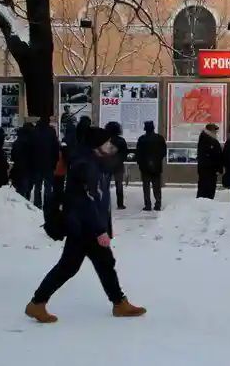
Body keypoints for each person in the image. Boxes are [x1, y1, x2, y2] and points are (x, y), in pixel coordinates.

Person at [25, 126, 146, 323]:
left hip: (84, 224)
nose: (110, 146)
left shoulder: (91, 161)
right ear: (96, 144)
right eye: (107, 143)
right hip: (84, 226)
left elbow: (98, 195)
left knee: (100, 263)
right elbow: (86, 200)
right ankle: (37, 303)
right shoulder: (85, 164)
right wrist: (100, 230)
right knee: (73, 266)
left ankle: (119, 302)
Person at [136, 121, 167, 210]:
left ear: (145, 129)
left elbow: (138, 153)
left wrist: (141, 163)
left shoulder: (141, 139)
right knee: (156, 186)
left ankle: (147, 205)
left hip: (144, 167)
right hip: (156, 166)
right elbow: (163, 152)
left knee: (146, 187)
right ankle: (158, 204)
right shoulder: (159, 138)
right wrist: (157, 160)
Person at [31, 118, 60, 209]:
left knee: (38, 186)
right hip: (49, 163)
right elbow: (55, 148)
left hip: (37, 163)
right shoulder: (51, 131)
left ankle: (37, 204)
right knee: (48, 187)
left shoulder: (35, 131)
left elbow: (32, 148)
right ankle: (48, 205)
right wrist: (55, 162)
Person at [104, 122, 129, 210]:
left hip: (107, 164)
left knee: (105, 185)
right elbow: (125, 154)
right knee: (119, 185)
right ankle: (120, 204)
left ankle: (105, 202)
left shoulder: (106, 140)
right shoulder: (121, 140)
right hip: (118, 165)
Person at [196, 123, 223, 200]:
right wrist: (219, 167)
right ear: (210, 131)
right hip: (209, 169)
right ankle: (205, 204)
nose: (216, 132)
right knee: (207, 189)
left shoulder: (205, 138)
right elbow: (216, 155)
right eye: (215, 131)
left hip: (206, 169)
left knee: (204, 187)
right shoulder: (209, 140)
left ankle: (203, 202)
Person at [10, 123, 34, 199]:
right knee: (27, 190)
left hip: (18, 168)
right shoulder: (32, 142)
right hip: (29, 168)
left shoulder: (17, 142)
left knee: (20, 190)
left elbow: (13, 156)